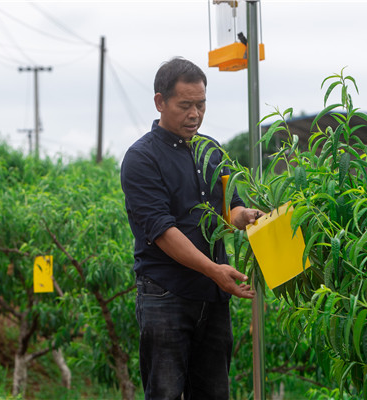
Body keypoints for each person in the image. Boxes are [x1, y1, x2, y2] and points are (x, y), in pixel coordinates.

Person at [120, 57, 262, 400]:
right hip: (165, 295)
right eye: (185, 105)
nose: (195, 114)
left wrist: (246, 217)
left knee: (214, 392)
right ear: (160, 102)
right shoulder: (141, 159)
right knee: (166, 393)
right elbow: (163, 232)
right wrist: (215, 271)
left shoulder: (211, 151)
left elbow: (230, 206)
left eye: (200, 105)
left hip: (211, 298)